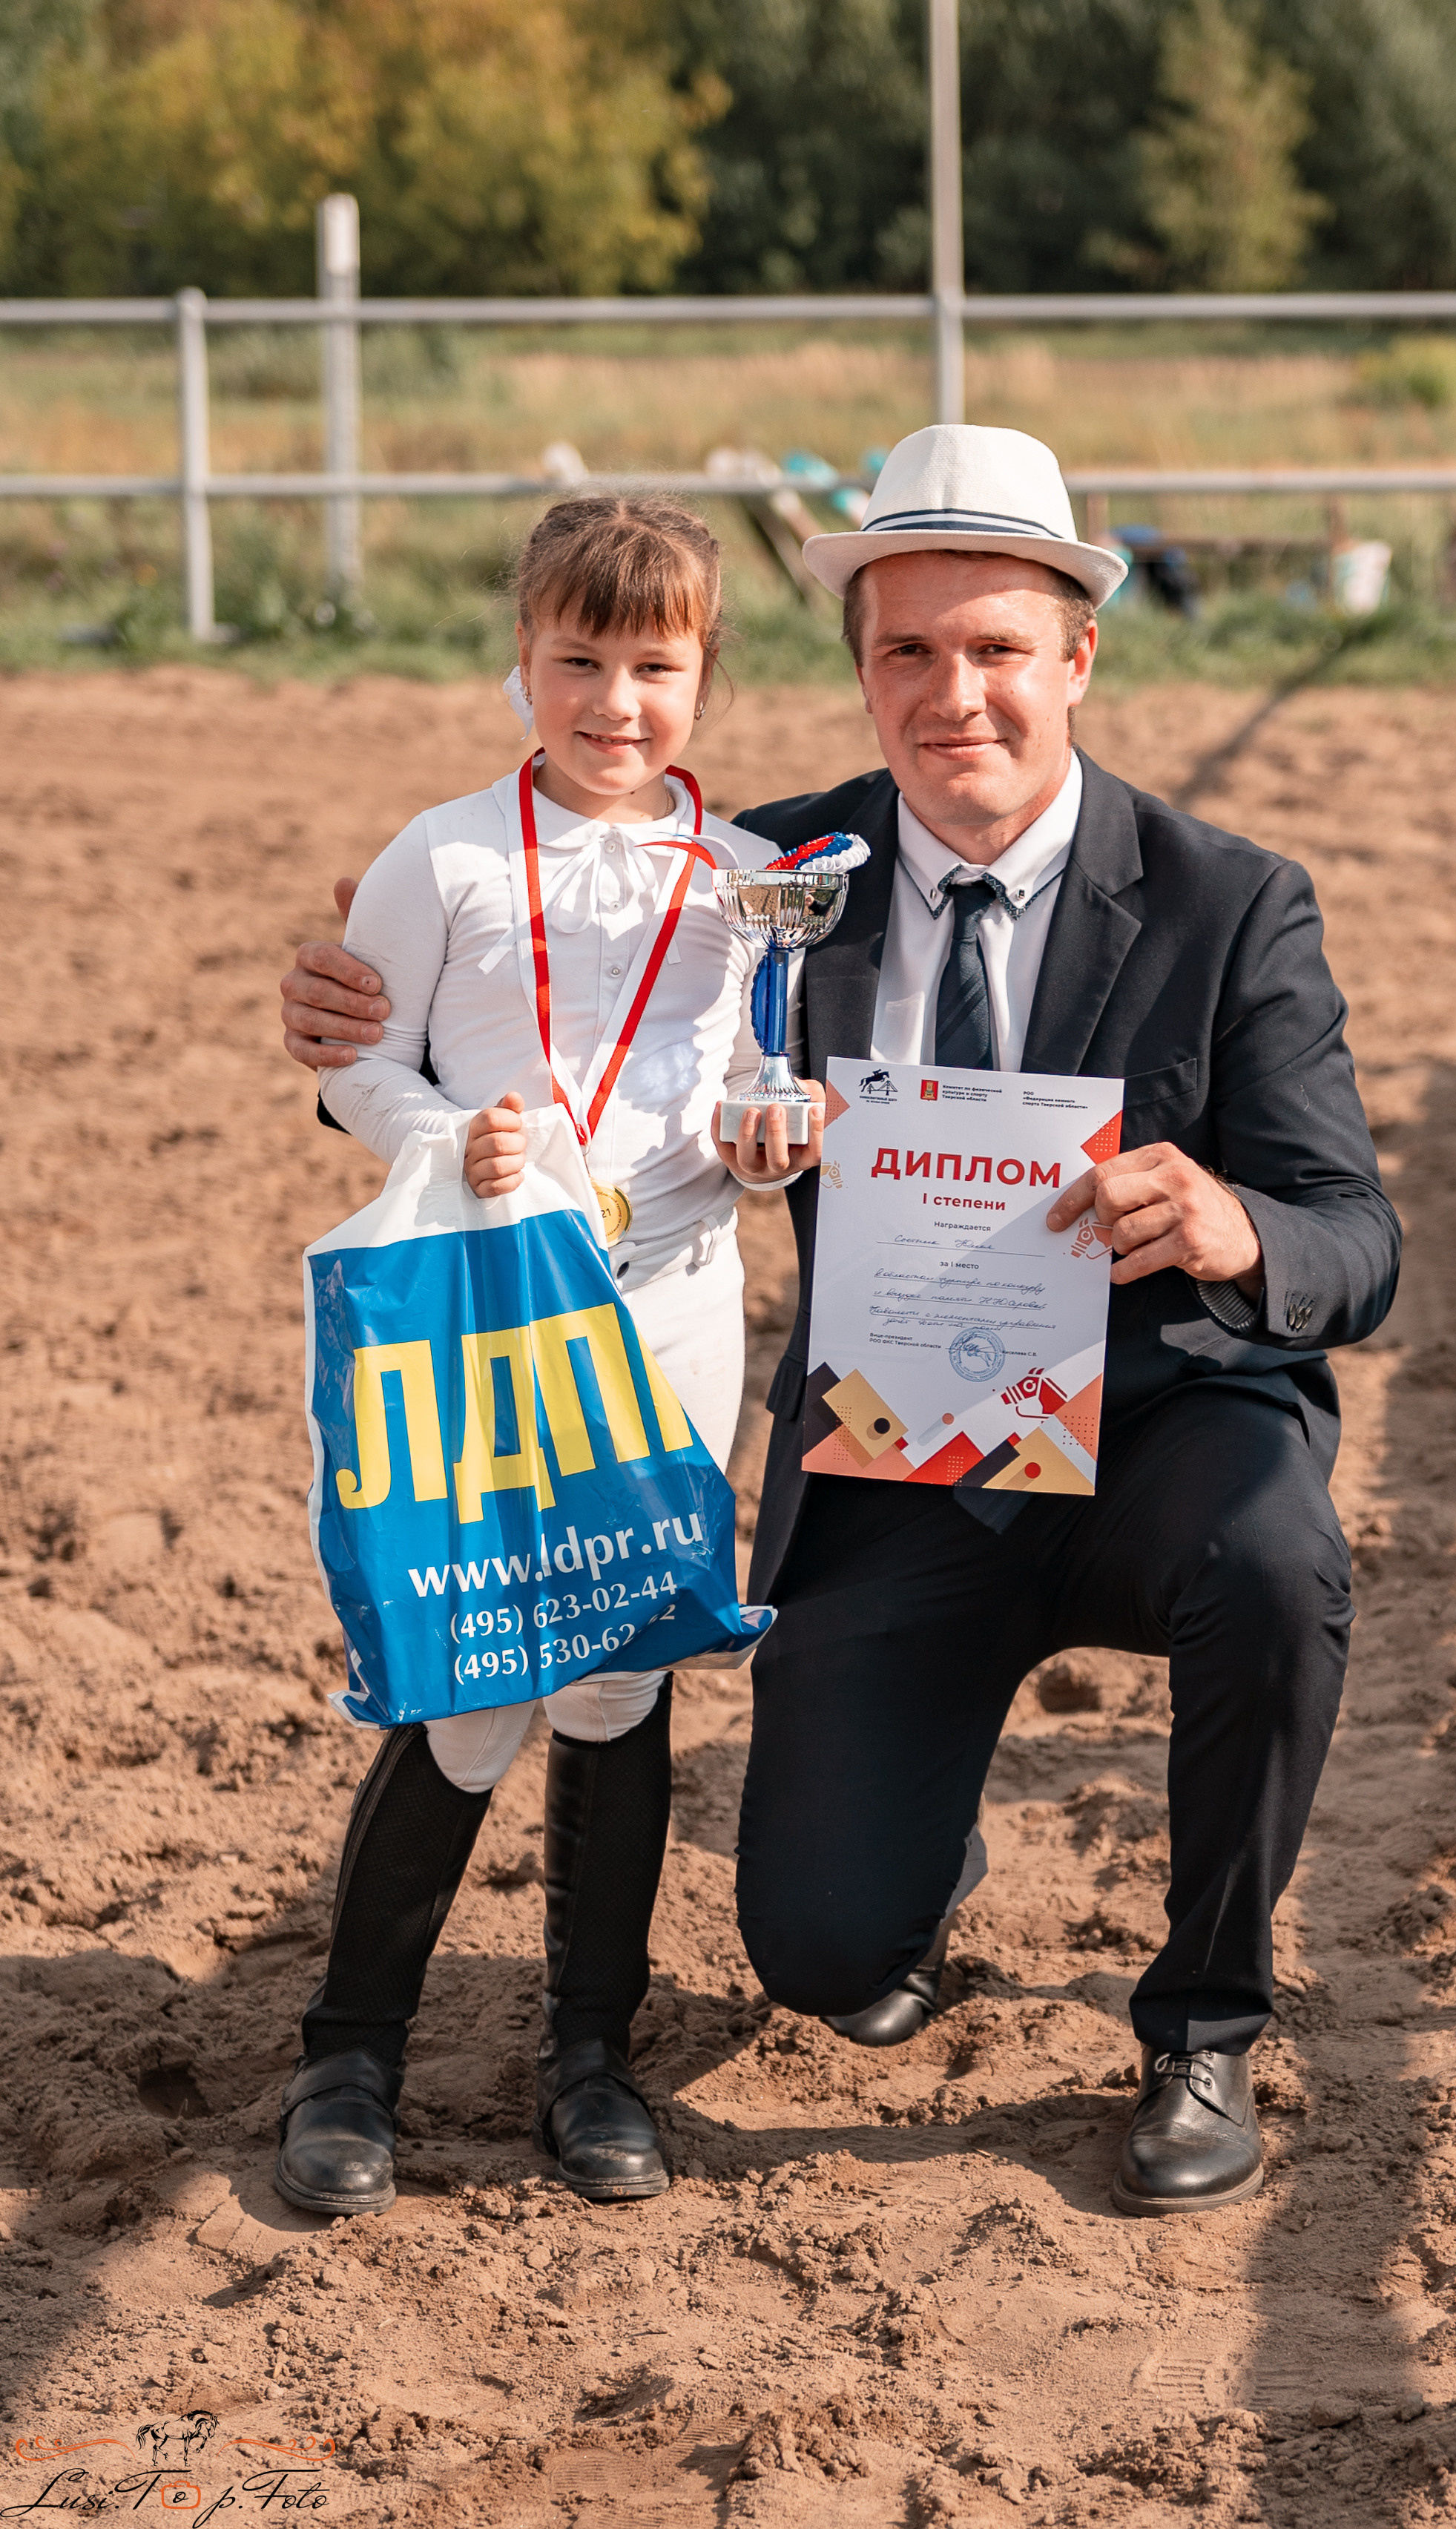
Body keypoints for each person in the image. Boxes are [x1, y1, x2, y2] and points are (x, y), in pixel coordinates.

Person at [282, 426, 1402, 2218]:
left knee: (1275, 1567)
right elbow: (548, 916)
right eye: (904, 651)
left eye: (996, 649)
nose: (952, 693)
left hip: (1158, 1430)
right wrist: (347, 1010)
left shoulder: (1229, 897)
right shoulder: (764, 868)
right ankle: (908, 1854)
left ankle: (1202, 2019)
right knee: (814, 1950)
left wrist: (1227, 1220)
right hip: (899, 1457)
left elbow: (1360, 1239)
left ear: (1076, 658)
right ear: (858, 669)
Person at [271, 493, 822, 2220]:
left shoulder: (741, 880)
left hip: (668, 1303)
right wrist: (449, 1136)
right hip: (488, 1303)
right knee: (473, 1666)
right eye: (576, 660)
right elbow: (362, 1065)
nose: (613, 702)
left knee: (620, 1668)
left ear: (702, 678)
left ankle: (591, 2057)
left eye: (653, 666)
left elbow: (749, 1074)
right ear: (520, 658)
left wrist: (762, 1136)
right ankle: (348, 2049)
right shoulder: (439, 854)